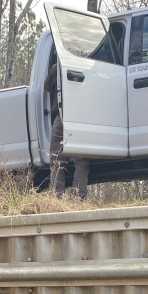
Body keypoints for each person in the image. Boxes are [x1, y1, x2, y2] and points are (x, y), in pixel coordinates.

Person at [44, 63, 90, 200]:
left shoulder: (57, 67)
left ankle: (56, 198)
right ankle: (78, 197)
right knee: (81, 160)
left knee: (57, 160)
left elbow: (47, 86)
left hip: (63, 115)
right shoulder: (90, 67)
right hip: (84, 117)